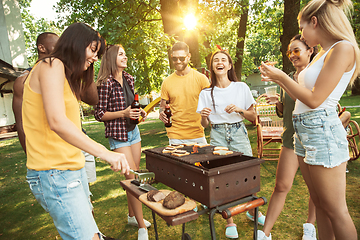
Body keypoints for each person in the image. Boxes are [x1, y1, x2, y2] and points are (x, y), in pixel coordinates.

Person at [260, 0, 359, 239]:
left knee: (336, 211)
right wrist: (280, 81)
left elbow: (316, 100)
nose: (302, 35)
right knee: (320, 204)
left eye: (302, 28)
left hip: (321, 129)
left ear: (314, 21)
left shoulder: (343, 49)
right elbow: (302, 96)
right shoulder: (323, 53)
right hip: (303, 132)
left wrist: (282, 77)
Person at [23, 22, 130, 240]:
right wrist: (105, 153)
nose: (95, 58)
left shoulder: (64, 75)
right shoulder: (51, 65)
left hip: (71, 169)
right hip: (55, 173)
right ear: (76, 42)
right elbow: (57, 121)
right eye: (92, 50)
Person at [197, 50, 265, 239]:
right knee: (223, 178)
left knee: (247, 173)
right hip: (217, 134)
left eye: (223, 60)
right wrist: (203, 117)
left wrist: (240, 110)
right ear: (212, 67)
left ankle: (252, 212)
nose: (219, 62)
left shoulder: (241, 87)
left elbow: (253, 117)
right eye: (215, 60)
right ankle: (230, 221)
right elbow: (205, 125)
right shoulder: (205, 93)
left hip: (238, 131)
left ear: (229, 65)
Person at [259, 34, 318, 240]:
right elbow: (286, 110)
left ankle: (310, 225)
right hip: (291, 139)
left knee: (316, 188)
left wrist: (280, 80)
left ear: (310, 51)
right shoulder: (290, 77)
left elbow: (308, 100)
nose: (292, 55)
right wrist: (278, 101)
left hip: (313, 139)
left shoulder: (315, 74)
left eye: (297, 50)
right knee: (281, 186)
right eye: (289, 52)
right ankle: (265, 234)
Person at [94, 44, 150, 240]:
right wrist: (123, 113)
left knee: (132, 176)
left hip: (133, 131)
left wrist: (138, 112)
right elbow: (99, 114)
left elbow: (131, 104)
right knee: (133, 177)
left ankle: (132, 216)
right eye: (121, 54)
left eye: (125, 53)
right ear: (111, 58)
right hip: (118, 135)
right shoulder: (105, 82)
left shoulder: (128, 78)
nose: (125, 57)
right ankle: (142, 226)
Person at [12, 32, 59, 152]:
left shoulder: (62, 73)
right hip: (47, 151)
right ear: (41, 48)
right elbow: (21, 123)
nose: (61, 50)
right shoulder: (23, 81)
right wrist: (30, 155)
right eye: (56, 46)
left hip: (75, 147)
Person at [159, 41, 209, 145]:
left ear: (188, 57)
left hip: (198, 134)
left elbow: (210, 105)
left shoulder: (201, 79)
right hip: (175, 136)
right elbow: (162, 106)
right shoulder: (167, 82)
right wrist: (161, 113)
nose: (178, 61)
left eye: (181, 58)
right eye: (175, 58)